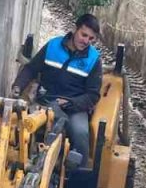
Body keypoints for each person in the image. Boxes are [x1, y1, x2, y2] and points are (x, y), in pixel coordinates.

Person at [11, 13, 103, 164]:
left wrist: (70, 103)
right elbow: (31, 69)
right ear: (75, 29)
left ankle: (77, 177)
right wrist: (17, 86)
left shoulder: (93, 60)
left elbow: (93, 95)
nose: (86, 41)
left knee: (80, 134)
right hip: (45, 102)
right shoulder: (53, 46)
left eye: (91, 38)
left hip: (75, 107)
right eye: (83, 35)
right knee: (19, 127)